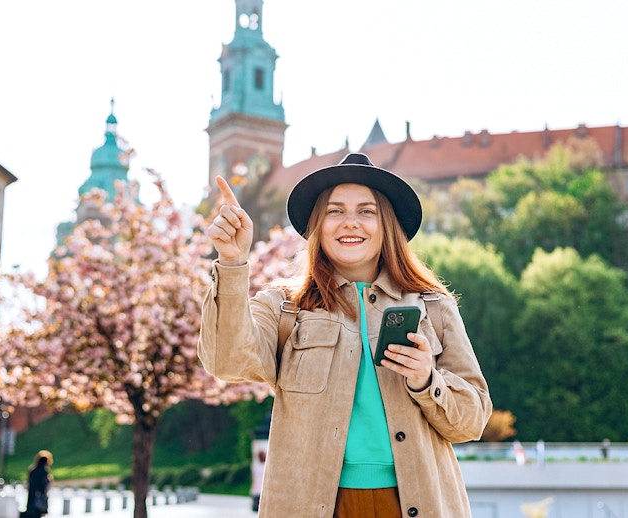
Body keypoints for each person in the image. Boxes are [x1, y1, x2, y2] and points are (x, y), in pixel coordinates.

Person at [199, 153, 492, 517]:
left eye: (366, 211)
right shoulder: (283, 307)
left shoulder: (434, 306)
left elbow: (472, 420)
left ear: (386, 225)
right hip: (311, 506)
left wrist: (425, 379)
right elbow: (226, 361)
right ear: (318, 226)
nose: (350, 223)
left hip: (416, 504)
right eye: (335, 211)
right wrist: (231, 262)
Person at [21, 450, 52, 518]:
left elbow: (29, 482)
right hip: (39, 495)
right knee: (38, 512)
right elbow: (44, 484)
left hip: (32, 495)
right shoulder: (44, 471)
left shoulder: (32, 470)